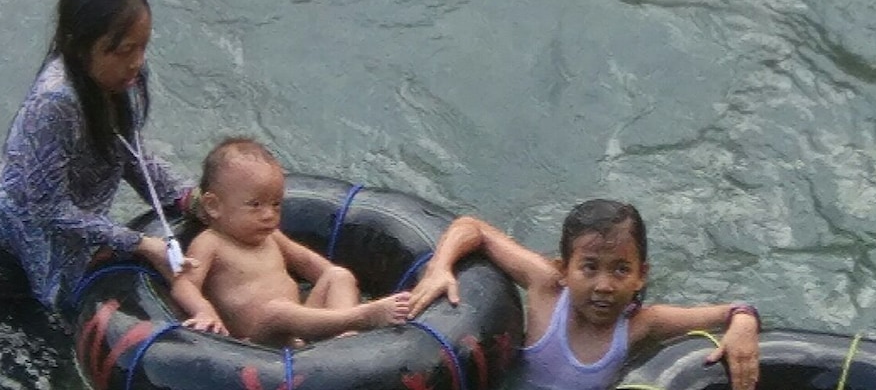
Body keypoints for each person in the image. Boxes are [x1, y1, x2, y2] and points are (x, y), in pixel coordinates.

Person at [0, 0, 196, 312]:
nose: (136, 63)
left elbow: (130, 154)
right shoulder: (55, 103)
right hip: (8, 263)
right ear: (79, 45)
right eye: (122, 51)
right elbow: (49, 209)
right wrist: (139, 244)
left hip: (65, 248)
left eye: (142, 47)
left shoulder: (119, 78)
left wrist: (188, 199)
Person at [407, 200, 762, 390]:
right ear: (564, 269)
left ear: (642, 276)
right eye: (589, 268)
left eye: (621, 269)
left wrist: (745, 321)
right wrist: (441, 266)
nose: (604, 285)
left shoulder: (642, 325)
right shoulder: (546, 287)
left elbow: (734, 311)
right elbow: (472, 227)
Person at [170, 137, 412, 347]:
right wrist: (204, 312)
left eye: (276, 204)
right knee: (277, 310)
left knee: (338, 275)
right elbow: (184, 285)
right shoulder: (210, 242)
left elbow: (309, 263)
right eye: (255, 205)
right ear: (214, 206)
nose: (269, 215)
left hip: (299, 332)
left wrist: (340, 281)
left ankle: (344, 338)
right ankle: (360, 317)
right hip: (258, 341)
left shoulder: (271, 236)